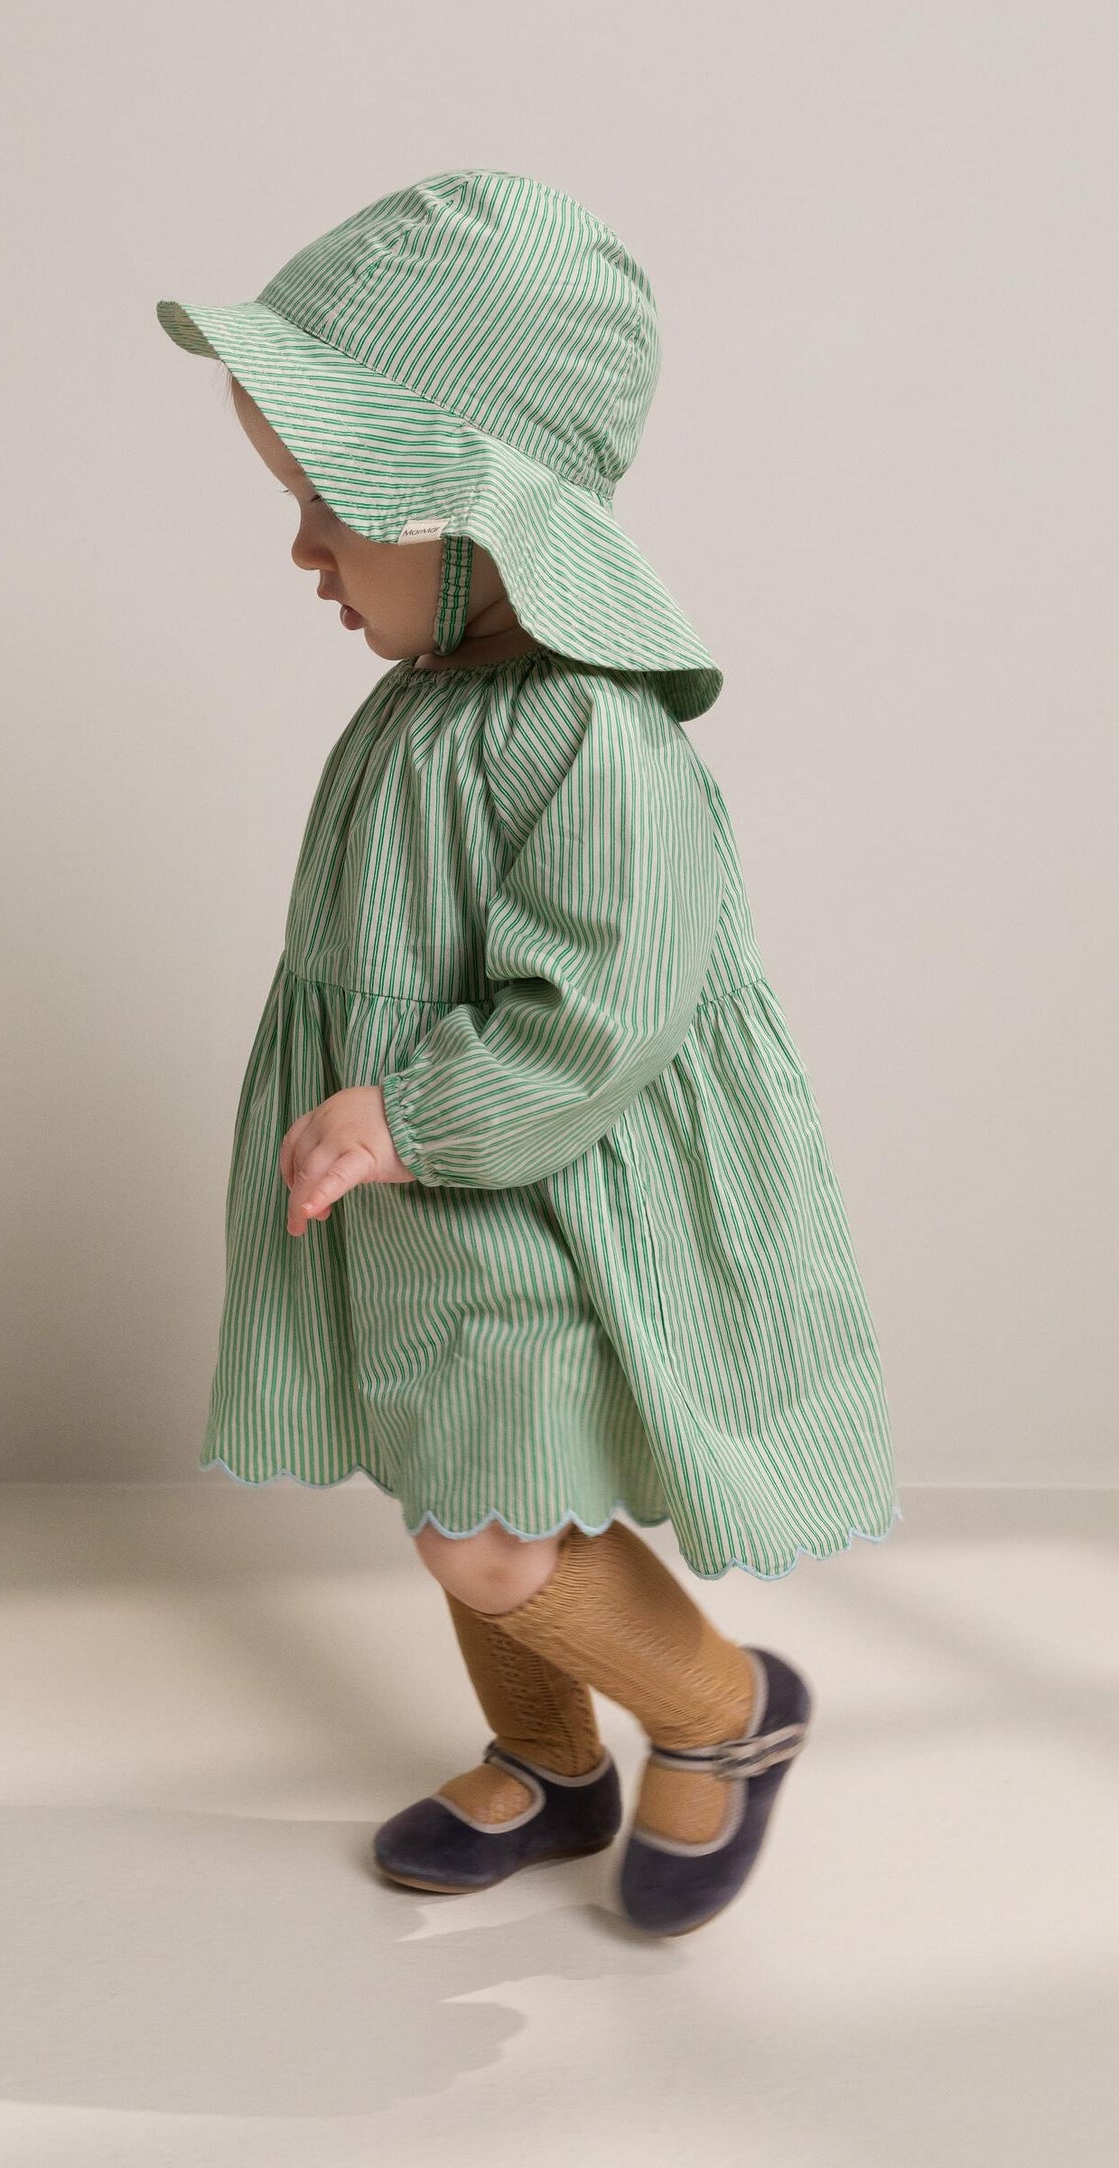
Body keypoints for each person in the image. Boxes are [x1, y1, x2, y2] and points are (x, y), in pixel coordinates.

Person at [157, 169, 899, 1936]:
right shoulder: (423, 707)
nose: (303, 552)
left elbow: (602, 1007)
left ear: (474, 509)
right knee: (467, 1477)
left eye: (333, 504)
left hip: (542, 1192)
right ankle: (553, 1763)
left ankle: (726, 1711)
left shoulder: (587, 733)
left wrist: (411, 1113)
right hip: (425, 1193)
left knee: (487, 1529)